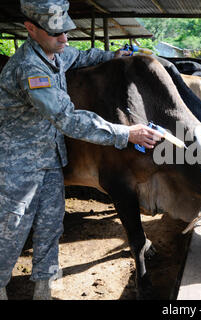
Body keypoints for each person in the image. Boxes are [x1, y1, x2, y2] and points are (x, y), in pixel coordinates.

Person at [0, 0, 162, 300]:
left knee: (51, 224)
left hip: (50, 158)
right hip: (17, 163)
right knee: (12, 228)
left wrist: (113, 55)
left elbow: (81, 55)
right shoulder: (29, 68)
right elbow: (67, 119)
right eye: (56, 33)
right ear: (31, 29)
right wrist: (125, 133)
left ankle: (44, 287)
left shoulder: (55, 52)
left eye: (66, 32)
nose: (64, 39)